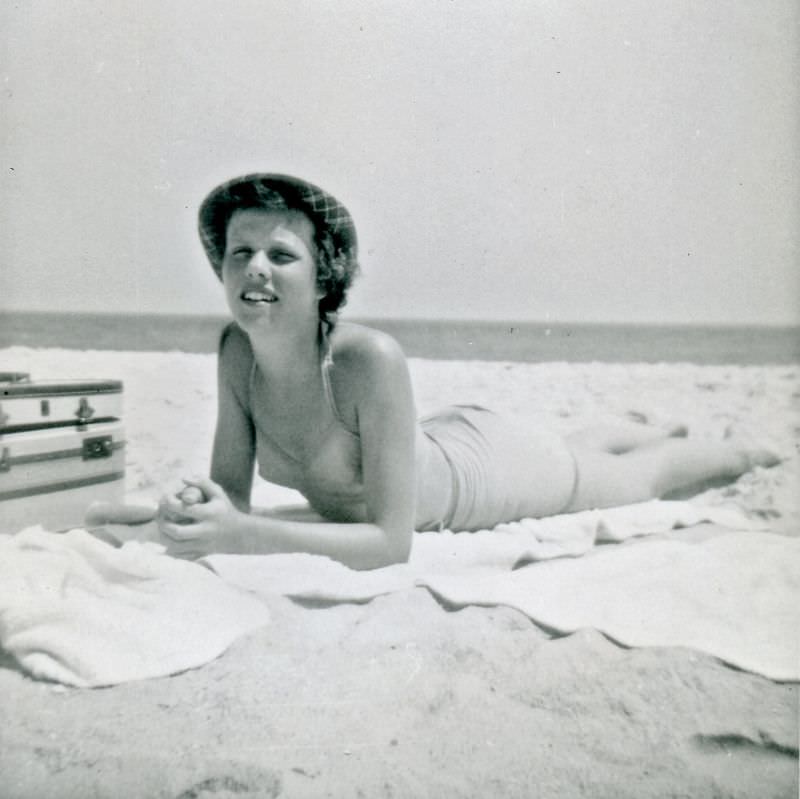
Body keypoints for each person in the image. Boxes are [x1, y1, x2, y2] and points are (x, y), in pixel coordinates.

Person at [152, 173, 778, 569]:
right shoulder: (236, 350)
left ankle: (741, 451)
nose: (255, 266)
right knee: (578, 449)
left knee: (636, 477)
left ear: (324, 278)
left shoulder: (367, 359)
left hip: (491, 472)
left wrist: (243, 535)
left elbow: (391, 546)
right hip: (442, 440)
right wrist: (197, 508)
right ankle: (635, 425)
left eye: (281, 254)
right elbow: (230, 497)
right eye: (241, 252)